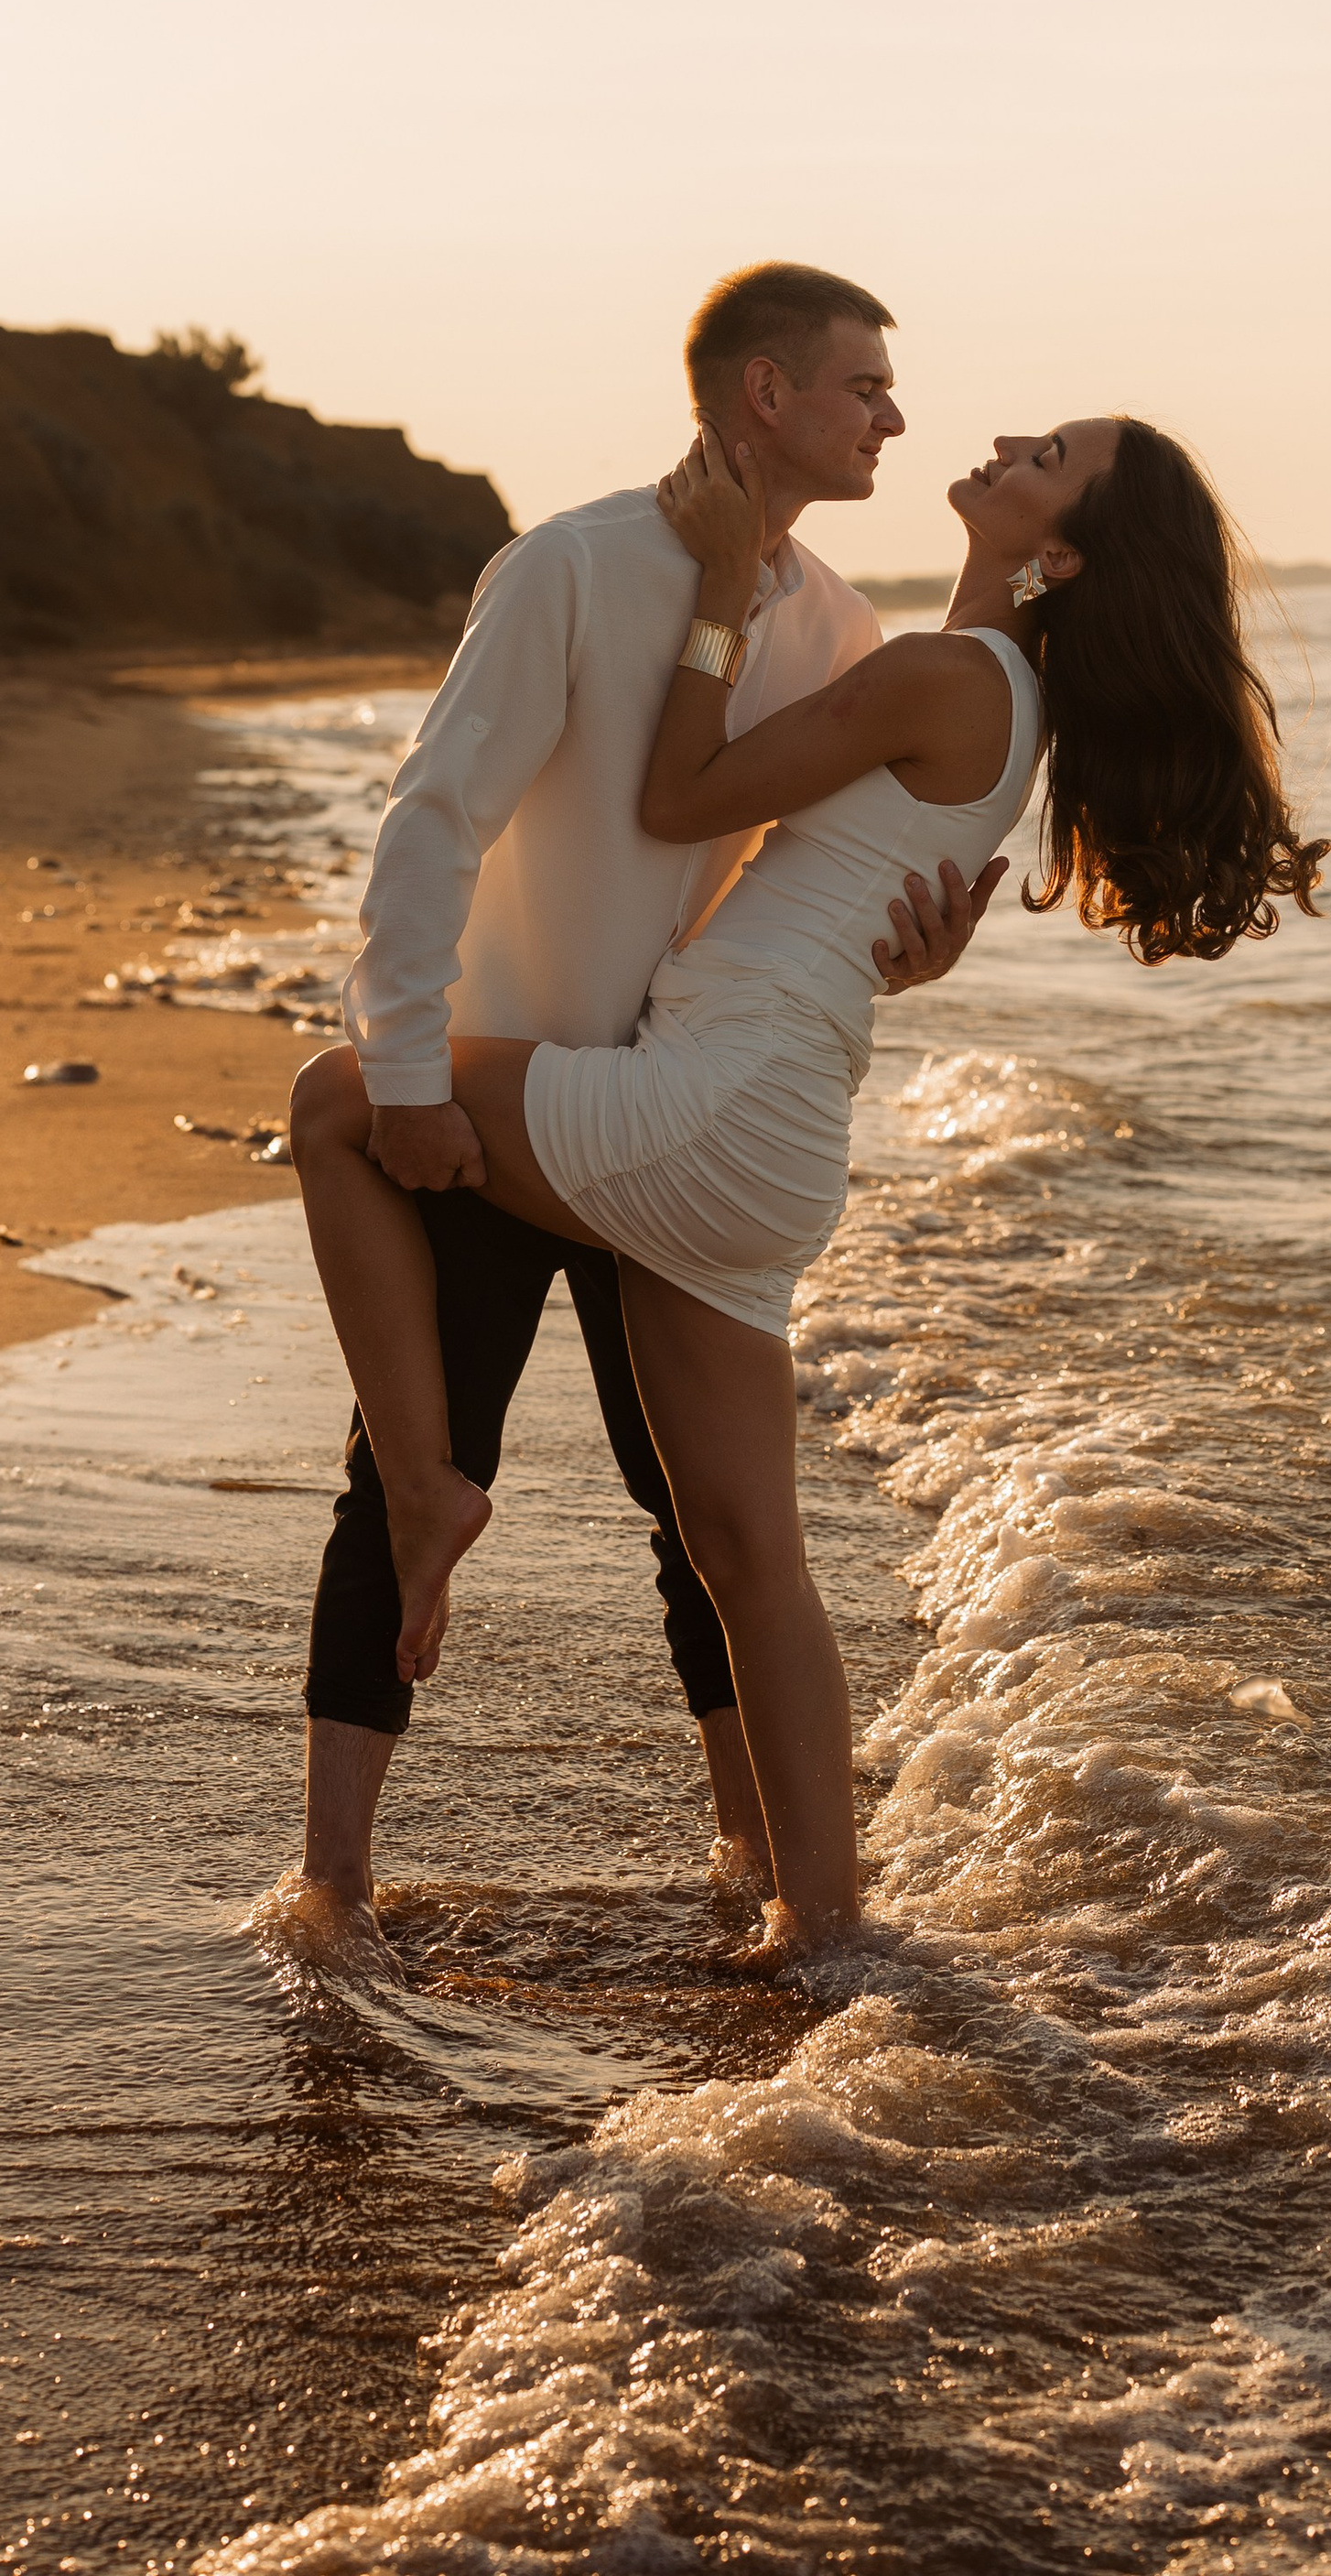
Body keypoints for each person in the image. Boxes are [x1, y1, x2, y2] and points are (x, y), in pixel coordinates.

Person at [292, 402, 1329, 1951]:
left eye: (1044, 460)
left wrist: (718, 586)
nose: (999, 443)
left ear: (1057, 554)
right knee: (749, 1562)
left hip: (706, 1100)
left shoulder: (944, 672)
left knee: (337, 1102)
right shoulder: (1007, 700)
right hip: (773, 1131)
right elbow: (843, 884)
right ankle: (827, 1937)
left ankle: (432, 1481)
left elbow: (676, 796)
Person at [287, 264, 1006, 1952]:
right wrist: (401, 1079)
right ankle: (333, 1882)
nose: (892, 417)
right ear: (764, 393)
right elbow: (431, 822)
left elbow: (790, 882)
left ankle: (753, 1856)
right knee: (402, 1477)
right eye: (862, 387)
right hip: (485, 1104)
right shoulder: (575, 565)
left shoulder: (831, 624)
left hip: (666, 1111)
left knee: (704, 1518)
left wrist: (903, 959)